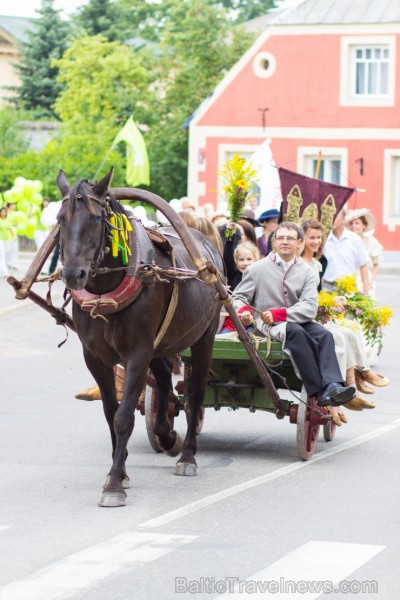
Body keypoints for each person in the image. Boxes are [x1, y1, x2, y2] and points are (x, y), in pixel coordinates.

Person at [232, 221, 356, 409]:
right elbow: (239, 297)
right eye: (280, 238)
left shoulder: (307, 271)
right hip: (269, 326)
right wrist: (244, 312)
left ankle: (333, 385)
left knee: (325, 335)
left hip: (297, 320)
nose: (284, 242)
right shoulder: (256, 269)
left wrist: (279, 313)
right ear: (274, 242)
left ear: (299, 243)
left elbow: (310, 307)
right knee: (295, 332)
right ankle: (319, 390)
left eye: (290, 238)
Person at [301, 219, 383, 414]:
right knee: (338, 337)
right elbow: (304, 298)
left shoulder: (317, 263)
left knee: (349, 331)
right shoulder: (298, 264)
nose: (316, 241)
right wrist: (326, 304)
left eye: (319, 237)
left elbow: (316, 294)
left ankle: (359, 378)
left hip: (315, 314)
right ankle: (345, 393)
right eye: (311, 237)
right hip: (305, 317)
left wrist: (330, 302)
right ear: (301, 239)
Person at [322, 208, 370, 294]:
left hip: (349, 287)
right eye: (330, 216)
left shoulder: (355, 239)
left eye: (335, 216)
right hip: (328, 287)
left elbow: (363, 266)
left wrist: (365, 290)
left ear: (343, 220)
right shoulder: (324, 239)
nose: (332, 219)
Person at [218, 241, 260, 334]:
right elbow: (227, 256)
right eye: (241, 260)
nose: (245, 263)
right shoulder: (233, 274)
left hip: (250, 320)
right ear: (236, 262)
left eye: (249, 259)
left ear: (256, 260)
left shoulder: (258, 277)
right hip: (232, 318)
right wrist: (230, 237)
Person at [345, 208, 383, 298]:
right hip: (349, 281)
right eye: (351, 223)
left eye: (357, 223)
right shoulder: (346, 242)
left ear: (364, 226)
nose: (353, 226)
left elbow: (376, 264)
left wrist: (370, 280)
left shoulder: (371, 242)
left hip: (366, 280)